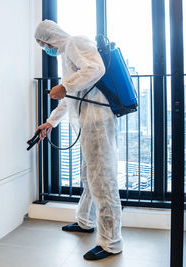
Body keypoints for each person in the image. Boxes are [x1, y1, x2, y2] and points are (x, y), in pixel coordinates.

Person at [34, 19, 123, 261]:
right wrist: (50, 122)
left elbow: (96, 68)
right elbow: (70, 97)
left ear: (51, 37)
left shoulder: (75, 42)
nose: (45, 49)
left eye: (43, 44)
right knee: (89, 176)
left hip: (97, 122)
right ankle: (85, 221)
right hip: (88, 124)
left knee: (102, 179)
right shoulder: (66, 56)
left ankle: (111, 242)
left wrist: (64, 85)